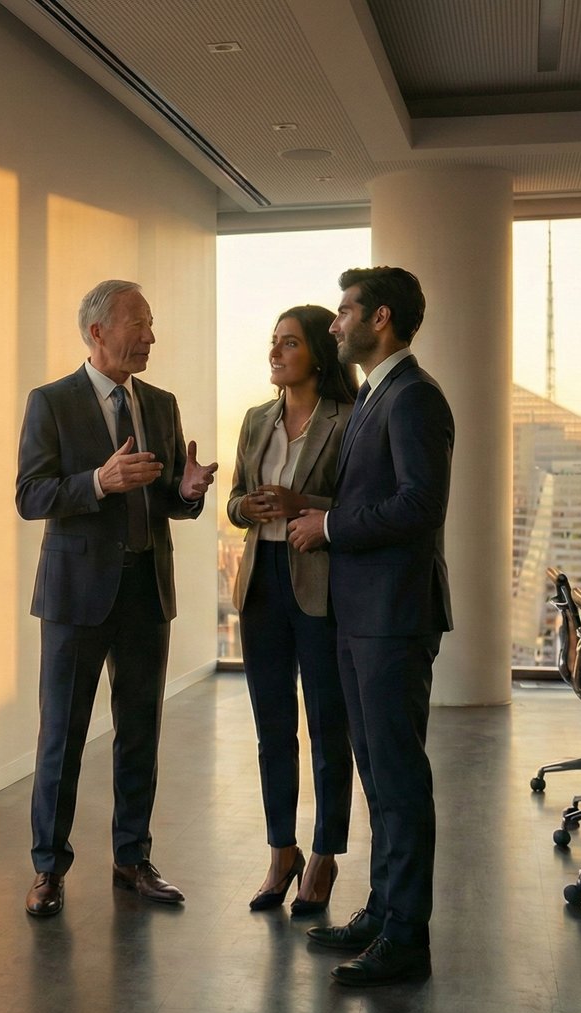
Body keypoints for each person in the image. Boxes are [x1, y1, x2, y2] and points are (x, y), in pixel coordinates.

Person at [14, 279, 218, 917]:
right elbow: (30, 496)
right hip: (76, 598)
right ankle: (49, 869)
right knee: (63, 737)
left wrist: (186, 492)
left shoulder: (160, 403)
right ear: (97, 331)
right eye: (140, 324)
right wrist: (97, 482)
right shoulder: (50, 403)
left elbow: (168, 504)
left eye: (152, 326)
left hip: (145, 592)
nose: (151, 337)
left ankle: (133, 859)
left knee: (141, 733)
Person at [287, 266, 452, 986]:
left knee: (399, 778)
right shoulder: (375, 396)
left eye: (345, 310)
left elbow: (420, 504)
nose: (335, 323)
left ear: (379, 318)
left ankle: (407, 939)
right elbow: (371, 495)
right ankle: (383, 911)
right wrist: (307, 504)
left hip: (393, 616)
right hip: (360, 615)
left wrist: (329, 524)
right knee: (379, 777)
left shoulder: (415, 397)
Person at [224, 305, 357, 915]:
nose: (275, 353)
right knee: (272, 726)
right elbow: (233, 504)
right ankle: (283, 851)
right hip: (262, 584)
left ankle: (326, 854)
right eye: (273, 342)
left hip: (321, 583)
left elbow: (358, 503)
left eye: (290, 343)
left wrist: (299, 500)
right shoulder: (255, 421)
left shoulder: (347, 419)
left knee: (329, 725)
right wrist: (245, 508)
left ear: (318, 356)